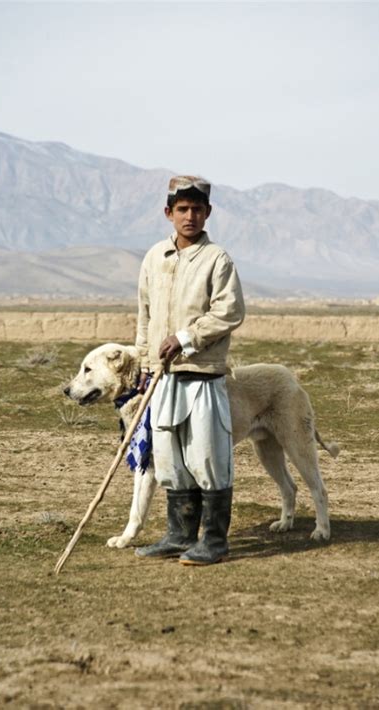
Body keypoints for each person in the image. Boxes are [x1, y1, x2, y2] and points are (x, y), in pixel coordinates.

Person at [134, 175, 245, 565]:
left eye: (197, 209)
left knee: (208, 457)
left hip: (202, 373)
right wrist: (146, 363)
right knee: (169, 456)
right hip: (164, 378)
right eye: (182, 209)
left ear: (208, 212)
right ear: (168, 213)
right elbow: (144, 316)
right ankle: (179, 535)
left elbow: (229, 313)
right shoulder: (154, 258)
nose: (190, 216)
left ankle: (214, 541)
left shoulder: (217, 260)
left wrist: (184, 338)